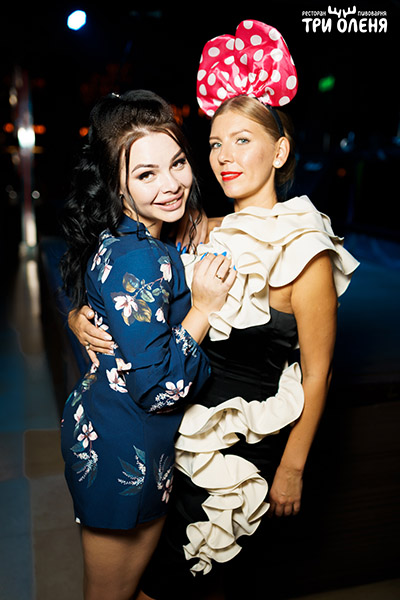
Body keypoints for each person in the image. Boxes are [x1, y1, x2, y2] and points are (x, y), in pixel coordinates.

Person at [69, 21, 359, 600]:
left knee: (184, 581)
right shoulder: (202, 228)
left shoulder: (306, 250)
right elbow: (125, 274)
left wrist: (292, 468)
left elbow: (319, 372)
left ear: (279, 150)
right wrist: (80, 316)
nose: (224, 157)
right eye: (215, 144)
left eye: (242, 140)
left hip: (240, 451)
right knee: (154, 583)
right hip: (174, 435)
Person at [58, 89, 235, 600]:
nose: (171, 184)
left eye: (177, 163)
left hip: (116, 431)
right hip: (125, 447)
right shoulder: (140, 256)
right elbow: (156, 388)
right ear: (117, 184)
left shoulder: (139, 235)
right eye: (146, 174)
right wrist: (203, 309)